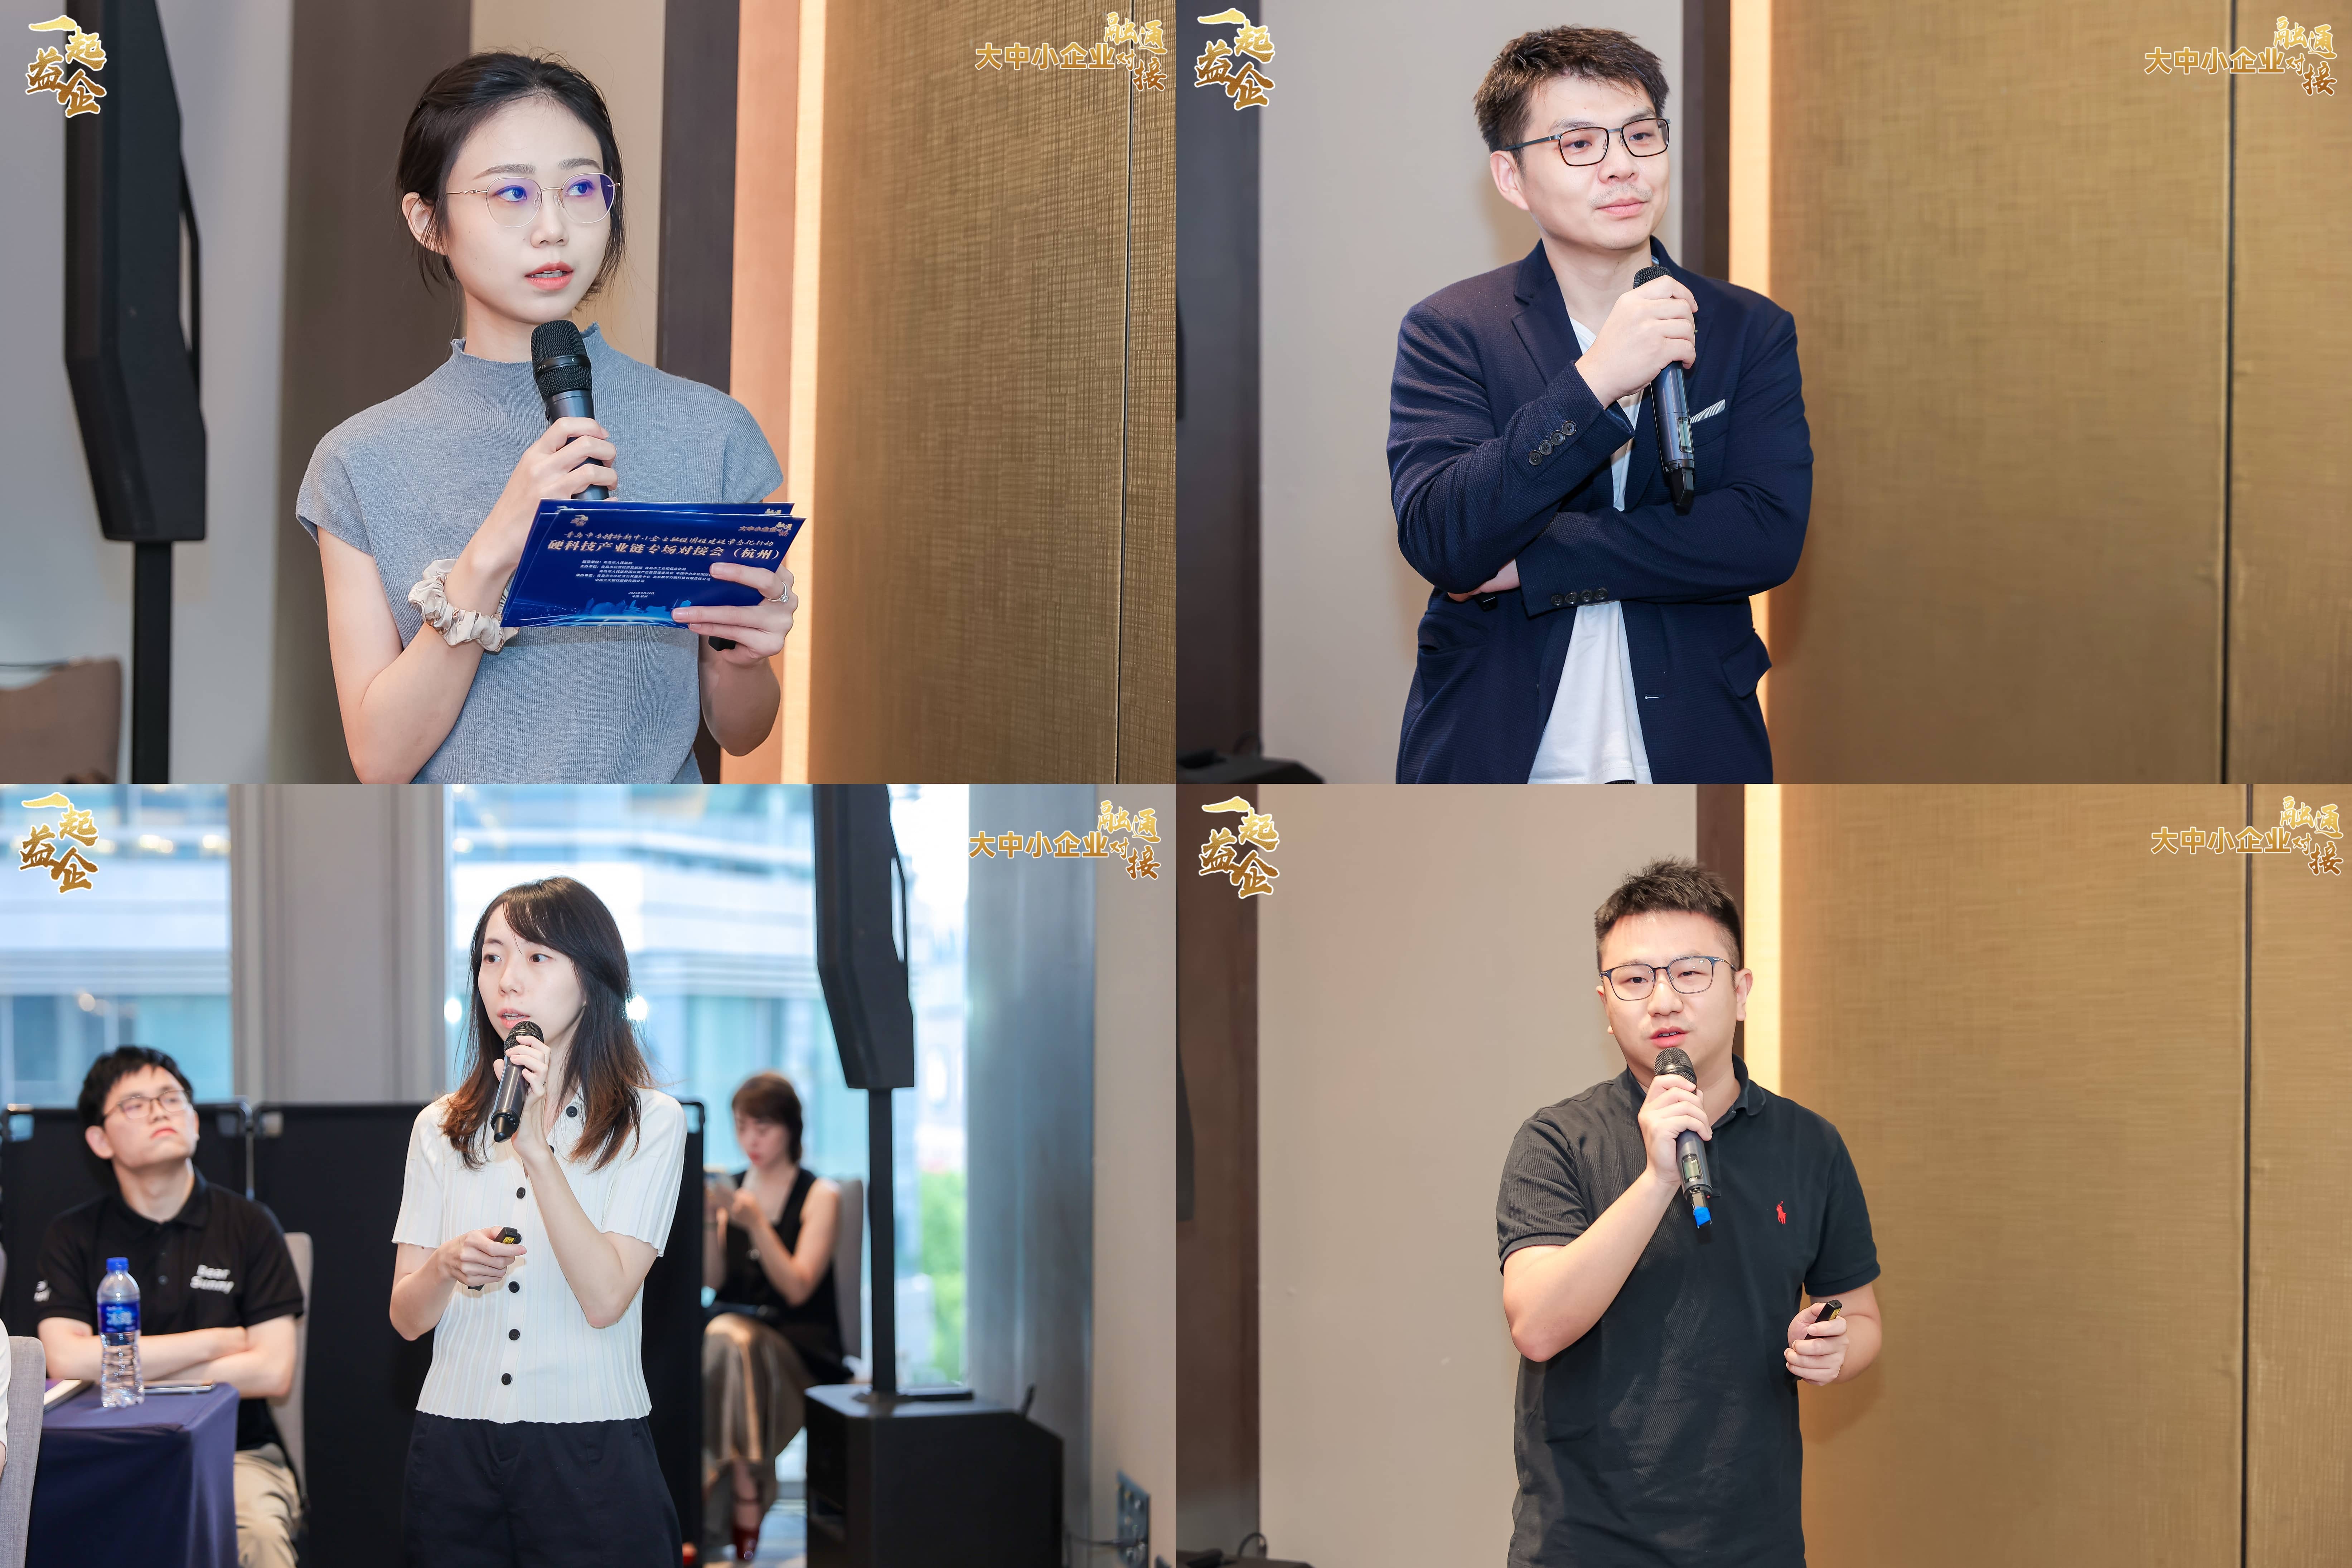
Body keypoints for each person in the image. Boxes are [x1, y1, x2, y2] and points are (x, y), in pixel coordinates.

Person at [302, 52, 797, 784]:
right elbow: (381, 761)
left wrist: (746, 660)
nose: (553, 228)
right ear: (428, 220)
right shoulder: (360, 460)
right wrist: (490, 554)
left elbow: (740, 730)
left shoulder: (713, 431)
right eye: (512, 193)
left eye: (581, 188)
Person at [1387, 27, 1811, 784]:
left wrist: (1533, 560)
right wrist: (1593, 382)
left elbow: (1763, 537)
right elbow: (1446, 540)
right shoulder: (1452, 329)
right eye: (1579, 144)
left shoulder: (1749, 328)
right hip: (1496, 745)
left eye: (1641, 136)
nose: (1622, 166)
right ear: (1512, 177)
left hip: (1693, 741)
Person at [1496, 859, 1882, 1567]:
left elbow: (1860, 1318)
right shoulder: (1558, 1141)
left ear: (1740, 992)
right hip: (1586, 1543)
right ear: (1605, 1003)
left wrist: (1835, 1350)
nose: (1663, 1001)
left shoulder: (1810, 1145)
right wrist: (1656, 1180)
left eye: (1690, 972)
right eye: (1634, 980)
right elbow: (1538, 1327)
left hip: (1753, 1541)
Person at [388, 876, 687, 1565]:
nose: (507, 980)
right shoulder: (440, 1128)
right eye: (492, 958)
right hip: (453, 1448)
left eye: (536, 957)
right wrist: (445, 1265)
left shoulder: (649, 1123)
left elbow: (606, 1298)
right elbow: (406, 1319)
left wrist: (537, 1152)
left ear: (592, 979)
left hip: (591, 1449)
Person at [34, 1047, 306, 1568]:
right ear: (99, 1139)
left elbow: (272, 1372)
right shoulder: (71, 1235)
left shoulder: (250, 1225)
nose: (160, 1111)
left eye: (171, 1098)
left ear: (195, 1121)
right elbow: (64, 1360)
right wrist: (216, 1343)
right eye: (135, 1104)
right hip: (106, 1453)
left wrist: (117, 1369)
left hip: (234, 1453)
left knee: (259, 1536)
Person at [701, 1071, 845, 1563]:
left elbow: (798, 1288)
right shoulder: (733, 1189)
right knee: (726, 1339)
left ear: (790, 1129)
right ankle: (746, 1485)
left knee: (730, 1339)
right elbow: (713, 1280)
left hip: (799, 1348)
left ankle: (734, 1492)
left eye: (763, 1128)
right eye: (742, 1127)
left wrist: (757, 1224)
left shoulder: (821, 1195)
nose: (752, 1141)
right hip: (736, 1341)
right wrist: (709, 1220)